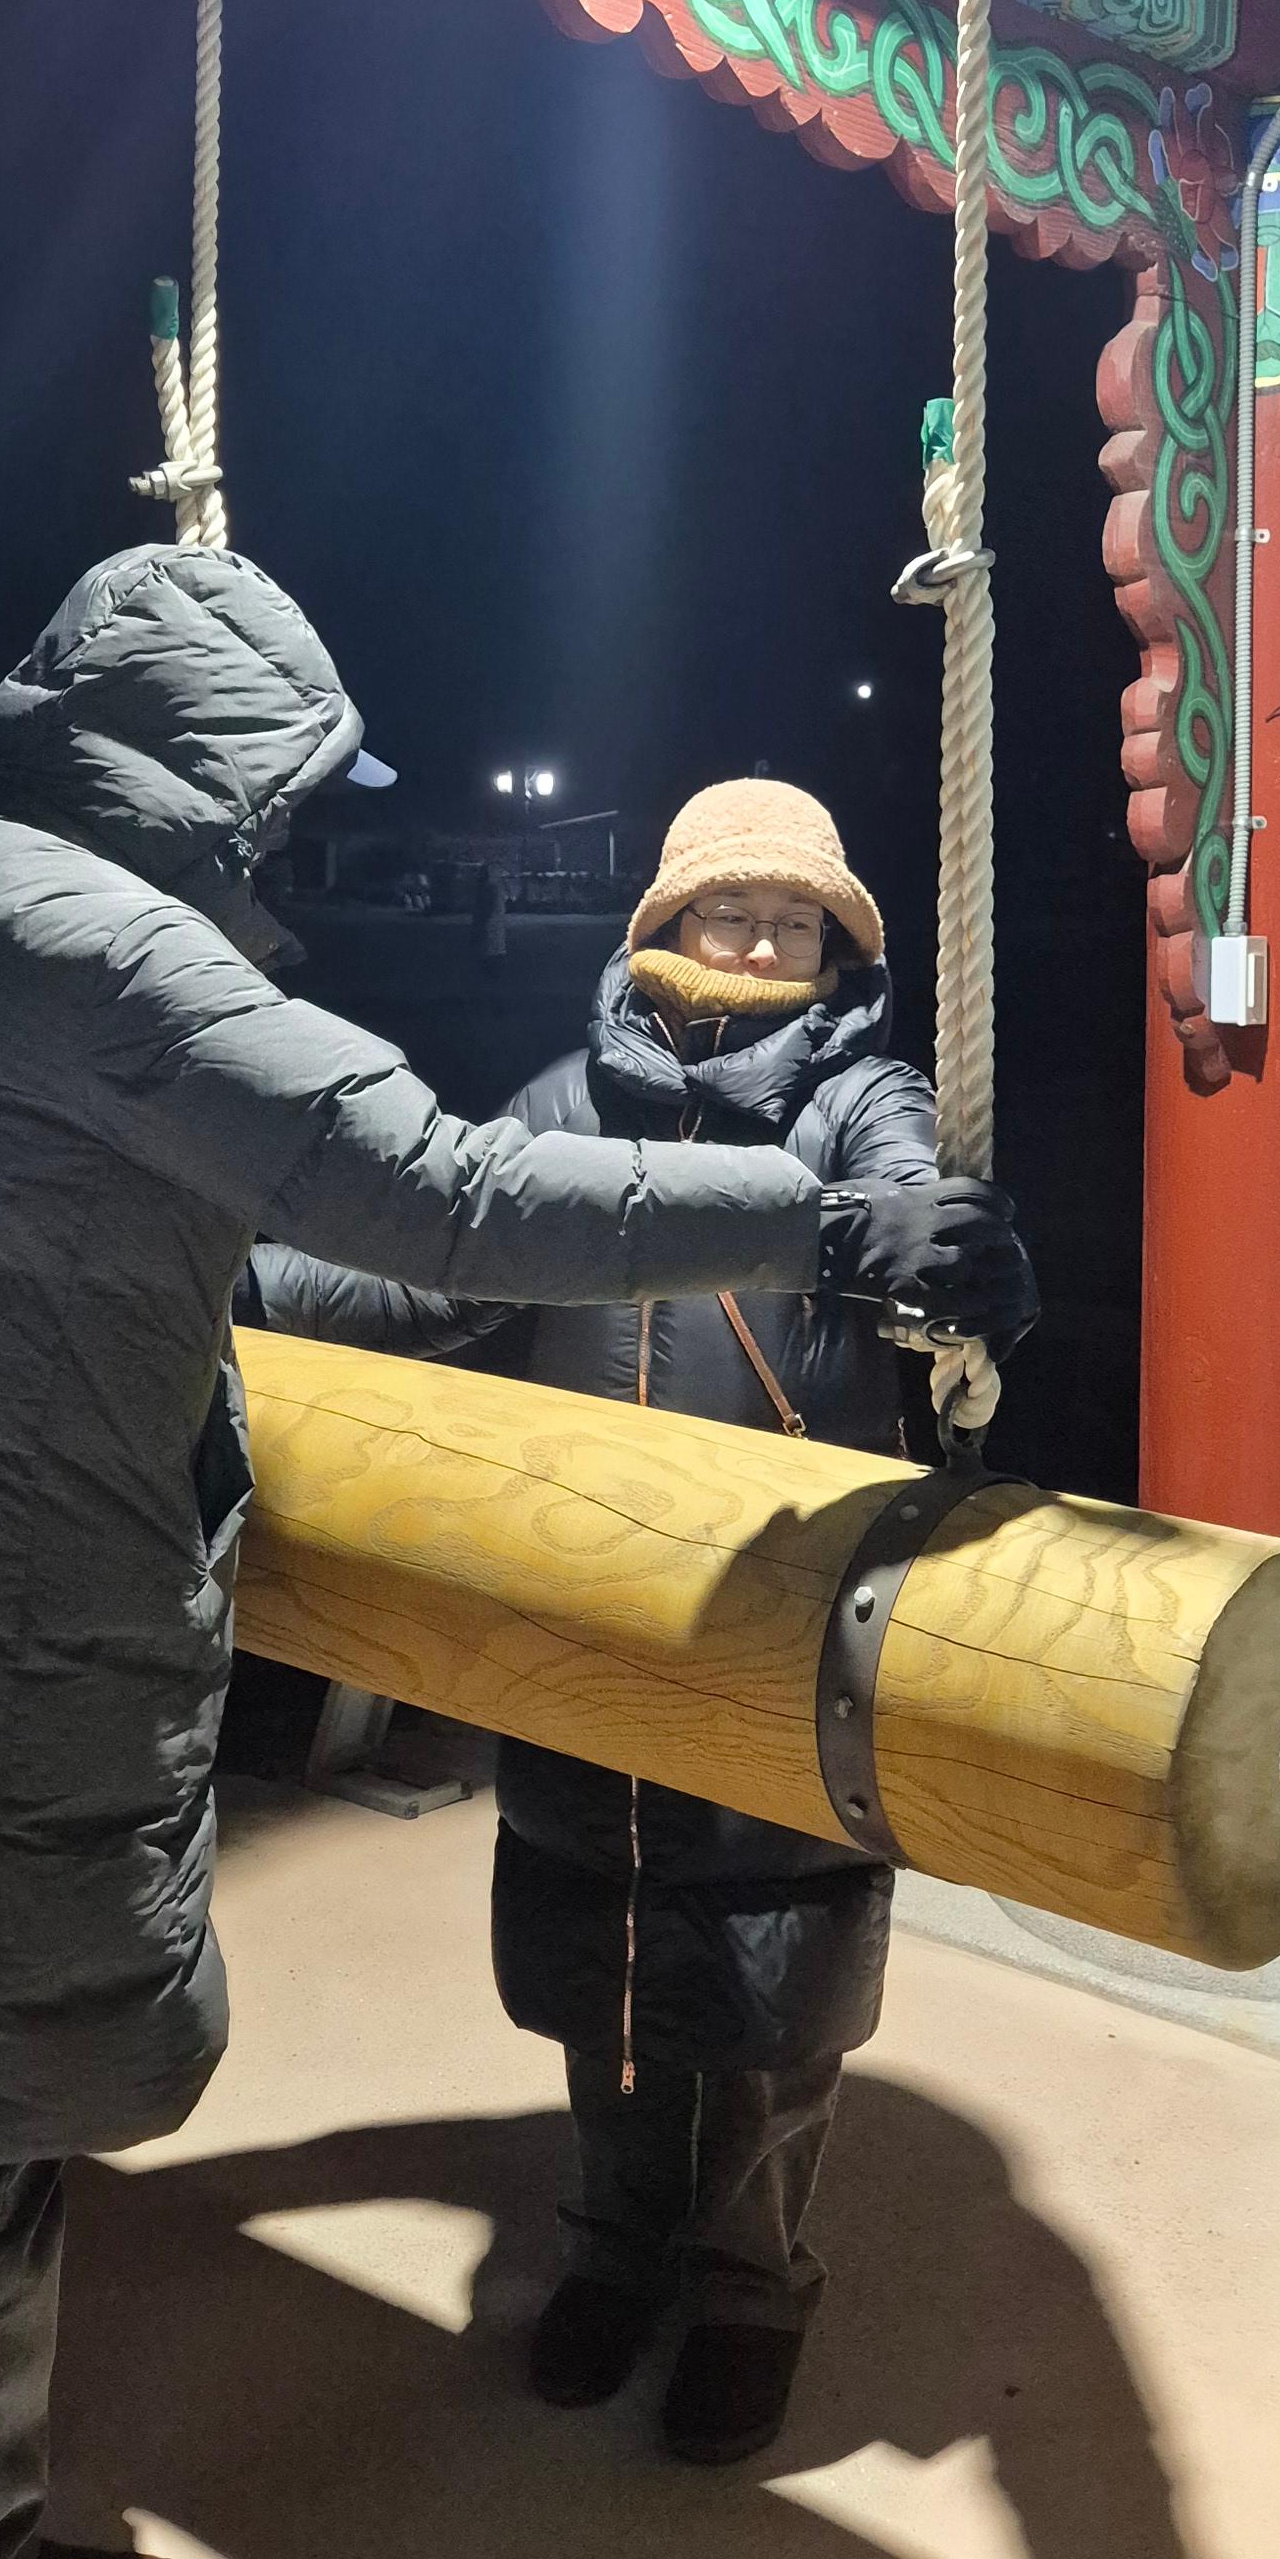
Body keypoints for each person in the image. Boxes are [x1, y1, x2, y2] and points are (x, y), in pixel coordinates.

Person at [0, 554, 1024, 2559]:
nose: (288, 845)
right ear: (205, 772)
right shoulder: (120, 963)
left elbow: (94, 1228)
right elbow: (454, 1199)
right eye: (279, 799)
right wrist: (826, 1223)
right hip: (10, 1607)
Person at [253, 780, 1036, 2468]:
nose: (758, 943)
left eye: (795, 921)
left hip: (782, 1603)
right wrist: (255, 1285)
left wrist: (953, 1263)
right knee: (598, 1941)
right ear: (665, 920)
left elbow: (907, 1198)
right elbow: (440, 1262)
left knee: (775, 1966)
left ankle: (752, 2284)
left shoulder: (858, 1098)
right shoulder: (560, 1104)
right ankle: (612, 2246)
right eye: (728, 912)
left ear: (833, 946)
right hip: (590, 1605)